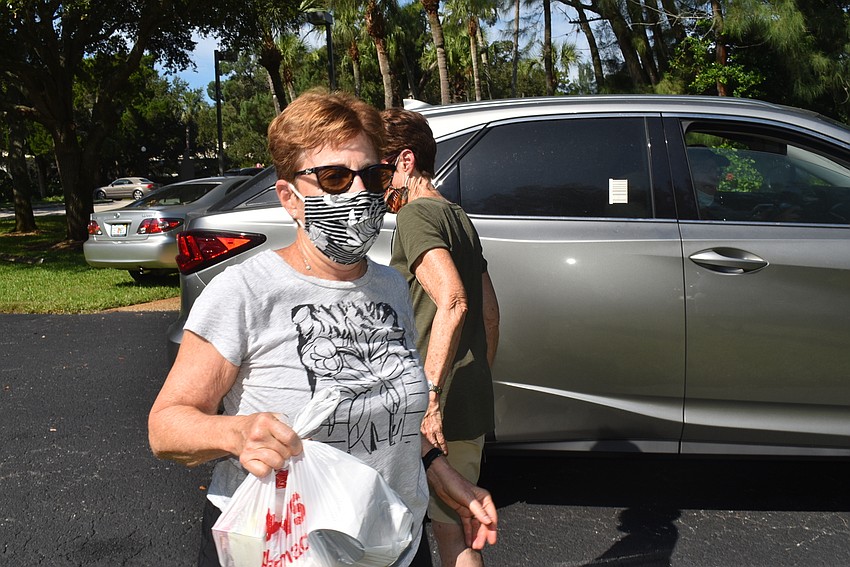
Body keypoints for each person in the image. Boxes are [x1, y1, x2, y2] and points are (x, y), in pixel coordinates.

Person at [148, 90, 497, 567]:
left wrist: (439, 471)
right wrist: (236, 434)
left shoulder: (392, 287)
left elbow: (386, 413)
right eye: (334, 177)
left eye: (371, 175)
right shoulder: (246, 290)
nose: (358, 192)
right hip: (287, 548)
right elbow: (166, 426)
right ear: (289, 197)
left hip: (392, 541)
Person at [381, 108, 500, 567]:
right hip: (467, 394)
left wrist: (430, 395)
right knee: (459, 537)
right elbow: (490, 312)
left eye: (381, 170)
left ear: (406, 162)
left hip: (429, 405)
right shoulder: (457, 215)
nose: (376, 186)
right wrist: (474, 375)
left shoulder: (414, 216)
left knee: (400, 535)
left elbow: (454, 300)